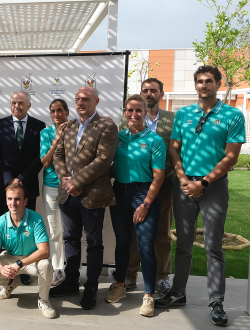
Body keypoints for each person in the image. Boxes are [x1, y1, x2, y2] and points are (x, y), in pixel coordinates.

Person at [156, 65, 246, 327]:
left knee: (213, 246)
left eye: (208, 81)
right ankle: (178, 293)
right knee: (183, 244)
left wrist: (203, 182)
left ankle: (216, 301)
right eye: (199, 81)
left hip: (213, 188)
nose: (203, 85)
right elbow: (174, 149)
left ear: (218, 84)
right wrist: (183, 179)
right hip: (184, 186)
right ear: (195, 85)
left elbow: (231, 157)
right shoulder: (183, 114)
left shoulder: (232, 115)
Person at [50, 86, 118, 310]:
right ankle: (71, 282)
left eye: (86, 99)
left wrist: (76, 182)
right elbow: (58, 156)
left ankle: (91, 287)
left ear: (96, 101)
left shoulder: (106, 125)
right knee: (70, 240)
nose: (80, 102)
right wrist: (66, 181)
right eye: (78, 99)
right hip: (68, 195)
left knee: (94, 243)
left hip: (92, 196)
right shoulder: (68, 126)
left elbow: (104, 159)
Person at [106, 95, 165, 317]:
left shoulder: (154, 140)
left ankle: (148, 295)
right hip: (119, 192)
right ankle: (120, 285)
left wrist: (146, 204)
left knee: (145, 246)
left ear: (145, 112)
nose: (134, 114)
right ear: (124, 112)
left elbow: (158, 177)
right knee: (122, 243)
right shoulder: (117, 137)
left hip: (144, 193)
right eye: (130, 110)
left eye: (138, 110)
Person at [116, 78, 176, 296]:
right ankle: (130, 275)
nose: (149, 93)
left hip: (164, 186)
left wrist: (155, 176)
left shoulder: (172, 119)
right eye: (145, 90)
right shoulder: (127, 121)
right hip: (131, 186)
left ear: (161, 92)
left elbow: (175, 152)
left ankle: (161, 277)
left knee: (161, 233)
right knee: (132, 232)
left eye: (153, 90)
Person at [0, 91, 45, 286]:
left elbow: (40, 157)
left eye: (21, 103)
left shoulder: (39, 126)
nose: (17, 106)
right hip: (4, 186)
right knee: (5, 229)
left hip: (28, 185)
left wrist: (21, 179)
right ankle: (3, 271)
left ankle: (24, 269)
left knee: (26, 230)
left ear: (29, 105)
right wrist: (10, 180)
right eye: (13, 103)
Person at [0, 183, 56, 319]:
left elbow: (44, 251)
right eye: (10, 199)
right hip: (10, 258)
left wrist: (19, 263)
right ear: (6, 200)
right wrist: (2, 269)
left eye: (17, 199)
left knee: (46, 264)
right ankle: (10, 283)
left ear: (25, 201)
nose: (13, 203)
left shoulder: (36, 219)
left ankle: (44, 300)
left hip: (32, 260)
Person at [40, 98, 69, 287]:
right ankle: (58, 269)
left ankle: (70, 268)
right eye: (53, 111)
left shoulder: (76, 129)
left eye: (60, 110)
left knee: (70, 230)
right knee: (55, 230)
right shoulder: (45, 132)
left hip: (71, 186)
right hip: (51, 186)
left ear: (67, 112)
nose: (56, 115)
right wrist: (57, 138)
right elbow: (45, 162)